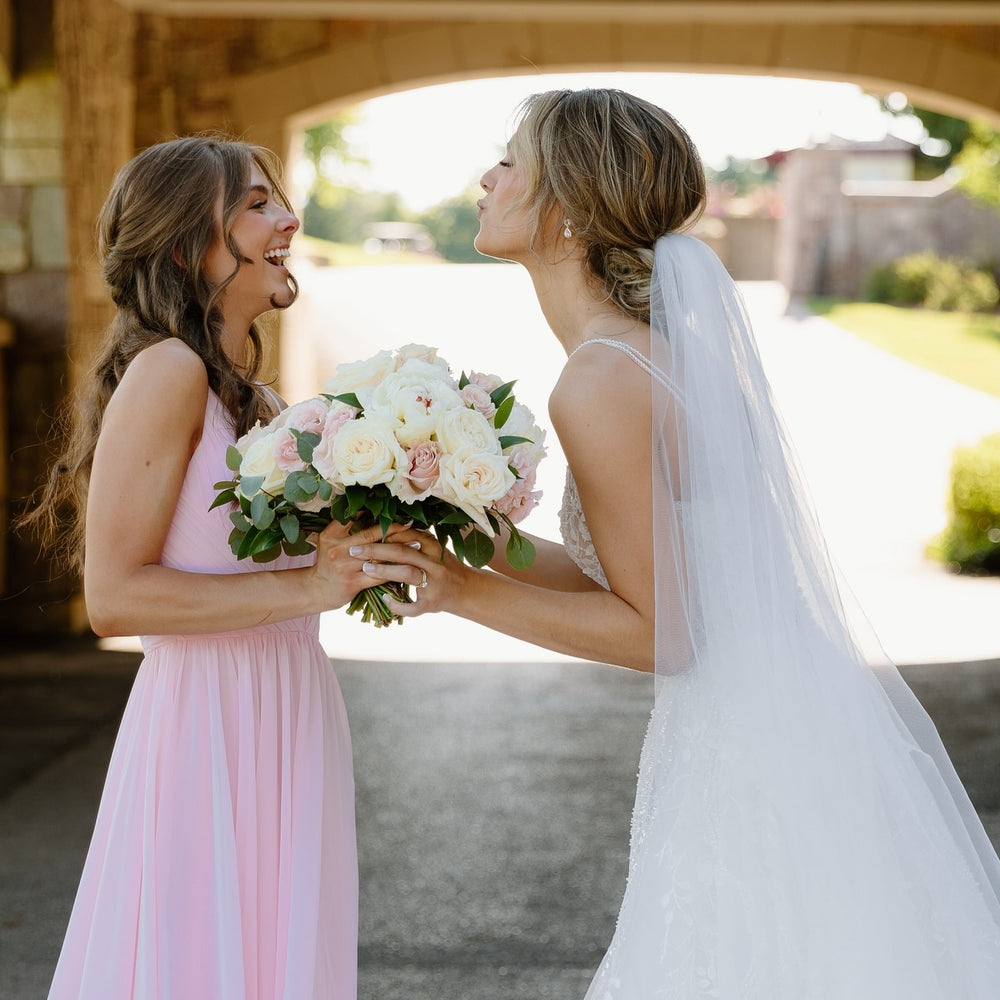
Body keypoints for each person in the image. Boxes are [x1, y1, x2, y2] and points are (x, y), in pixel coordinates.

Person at [353, 89, 1000, 997]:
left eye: (511, 163)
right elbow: (623, 573)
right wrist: (462, 532)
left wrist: (462, 595)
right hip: (769, 717)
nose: (486, 180)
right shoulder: (640, 354)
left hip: (742, 745)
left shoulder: (603, 378)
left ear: (567, 210)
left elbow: (663, 633)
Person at [22, 135, 401, 1000]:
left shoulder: (258, 401)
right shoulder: (168, 373)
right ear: (194, 241)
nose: (289, 220)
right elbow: (114, 597)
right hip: (208, 725)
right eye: (259, 204)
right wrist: (308, 586)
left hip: (290, 706)